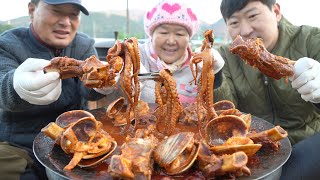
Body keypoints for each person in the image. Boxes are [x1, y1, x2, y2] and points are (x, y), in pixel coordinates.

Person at [0, 0, 112, 179]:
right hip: (20, 145)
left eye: (73, 15)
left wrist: (103, 85)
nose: (66, 22)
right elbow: (2, 86)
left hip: (77, 140)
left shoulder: (83, 45)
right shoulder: (7, 44)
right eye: (57, 11)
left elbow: (88, 90)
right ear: (32, 10)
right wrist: (15, 86)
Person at [215, 0, 320, 179]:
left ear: (276, 12)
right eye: (234, 22)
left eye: (253, 16)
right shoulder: (226, 56)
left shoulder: (311, 38)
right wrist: (216, 78)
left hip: (308, 144)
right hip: (256, 151)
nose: (245, 30)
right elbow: (223, 120)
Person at [137, 0, 225, 103]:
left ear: (189, 38)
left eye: (179, 34)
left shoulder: (197, 66)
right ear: (151, 35)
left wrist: (216, 71)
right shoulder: (138, 58)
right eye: (163, 32)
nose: (171, 41)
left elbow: (214, 94)